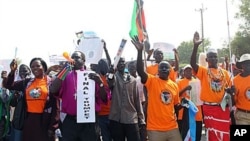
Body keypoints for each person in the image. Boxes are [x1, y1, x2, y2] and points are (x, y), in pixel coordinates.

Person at [49, 50, 108, 141]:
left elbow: (104, 98)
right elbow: (53, 89)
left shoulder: (92, 76)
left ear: (84, 61)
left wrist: (100, 83)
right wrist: (64, 70)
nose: (74, 59)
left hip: (88, 121)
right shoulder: (65, 75)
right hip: (71, 121)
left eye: (77, 57)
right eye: (72, 57)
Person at [131, 36, 182, 141]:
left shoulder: (174, 85)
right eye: (161, 68)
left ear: (170, 71)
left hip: (172, 128)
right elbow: (140, 71)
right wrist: (140, 51)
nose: (163, 69)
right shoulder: (152, 81)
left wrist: (183, 105)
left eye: (166, 67)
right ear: (157, 70)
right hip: (155, 129)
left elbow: (175, 105)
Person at [3, 58, 59, 141]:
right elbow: (9, 85)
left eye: (37, 66)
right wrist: (12, 71)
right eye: (32, 67)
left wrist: (53, 127)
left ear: (43, 67)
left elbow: (56, 107)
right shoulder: (27, 82)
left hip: (45, 121)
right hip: (30, 120)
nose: (35, 68)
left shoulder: (51, 82)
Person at [190, 32, 231, 141]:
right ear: (207, 60)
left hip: (223, 108)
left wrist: (231, 91)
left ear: (217, 58)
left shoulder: (225, 73)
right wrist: (195, 46)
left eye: (215, 57)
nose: (213, 59)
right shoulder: (203, 71)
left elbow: (230, 90)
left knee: (224, 134)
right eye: (210, 57)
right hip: (209, 108)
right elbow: (193, 63)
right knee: (213, 135)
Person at [107, 57, 145, 141]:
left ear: (125, 64)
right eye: (119, 62)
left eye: (123, 62)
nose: (121, 64)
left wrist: (141, 119)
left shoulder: (133, 80)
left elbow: (137, 100)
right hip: (116, 118)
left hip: (131, 118)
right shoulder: (113, 77)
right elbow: (110, 82)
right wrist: (111, 73)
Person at [177, 65, 203, 141]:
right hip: (184, 114)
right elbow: (177, 95)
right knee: (185, 136)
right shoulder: (179, 82)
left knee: (197, 135)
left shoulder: (197, 82)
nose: (188, 72)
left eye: (190, 70)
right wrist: (185, 88)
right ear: (183, 72)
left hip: (197, 114)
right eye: (186, 70)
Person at [9, 64, 32, 141]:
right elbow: (12, 103)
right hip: (19, 119)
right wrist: (15, 97)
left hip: (31, 118)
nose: (23, 72)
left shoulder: (33, 82)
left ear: (29, 71)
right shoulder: (17, 84)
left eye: (25, 70)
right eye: (21, 71)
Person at [233, 53, 250, 125]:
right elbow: (233, 102)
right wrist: (231, 93)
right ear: (242, 65)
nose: (248, 65)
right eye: (246, 63)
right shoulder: (235, 80)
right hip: (242, 115)